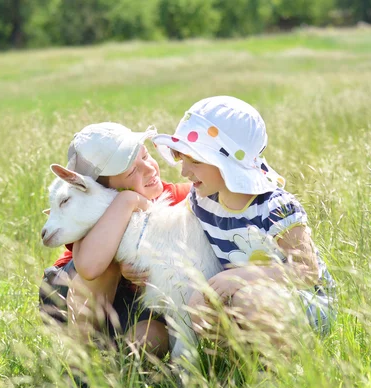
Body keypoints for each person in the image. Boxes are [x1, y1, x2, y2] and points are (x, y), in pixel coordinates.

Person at [151, 96, 336, 357]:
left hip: (305, 305)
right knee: (200, 305)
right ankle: (241, 363)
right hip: (247, 296)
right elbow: (170, 226)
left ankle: (277, 372)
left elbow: (307, 271)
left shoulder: (274, 207)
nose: (184, 172)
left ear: (228, 163)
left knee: (247, 300)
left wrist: (240, 277)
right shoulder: (202, 200)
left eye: (195, 161)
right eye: (181, 159)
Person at [39, 122, 190, 357]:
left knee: (152, 338)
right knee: (106, 268)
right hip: (72, 302)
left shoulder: (175, 198)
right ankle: (81, 364)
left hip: (130, 307)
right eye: (132, 171)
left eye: (145, 156)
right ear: (101, 189)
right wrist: (128, 201)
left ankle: (113, 362)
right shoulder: (93, 215)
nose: (149, 169)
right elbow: (90, 267)